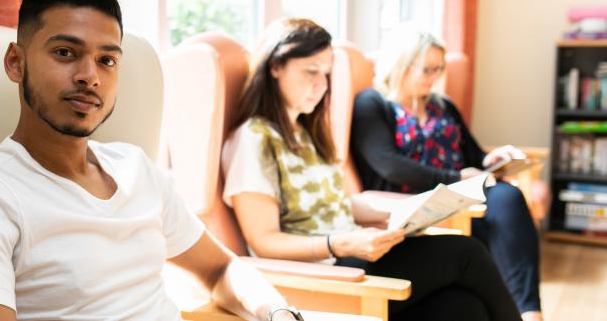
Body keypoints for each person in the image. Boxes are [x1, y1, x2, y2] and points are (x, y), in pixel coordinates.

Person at [0, 0, 303, 321]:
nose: (90, 77)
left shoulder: (135, 167)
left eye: (106, 60)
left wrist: (279, 312)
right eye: (65, 53)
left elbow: (222, 269)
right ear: (15, 62)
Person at [222, 18, 522, 321]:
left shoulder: (303, 131)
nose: (321, 85)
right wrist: (338, 242)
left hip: (349, 252)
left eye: (326, 74)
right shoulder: (253, 139)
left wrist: (405, 212)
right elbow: (263, 240)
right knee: (467, 254)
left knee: (464, 308)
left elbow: (334, 205)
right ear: (275, 67)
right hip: (322, 273)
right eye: (310, 71)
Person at [349, 28, 542, 321]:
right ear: (401, 63)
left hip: (463, 193)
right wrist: (455, 178)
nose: (434, 77)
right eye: (427, 69)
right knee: (488, 235)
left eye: (439, 69)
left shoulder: (443, 105)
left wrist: (491, 159)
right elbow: (387, 164)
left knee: (508, 197)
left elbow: (474, 156)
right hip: (415, 200)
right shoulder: (373, 103)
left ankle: (530, 312)